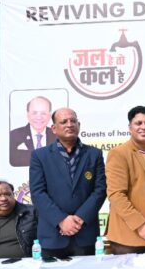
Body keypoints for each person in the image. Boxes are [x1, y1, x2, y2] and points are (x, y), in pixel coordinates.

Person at [29, 108, 106, 257]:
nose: (69, 124)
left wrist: (80, 218)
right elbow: (38, 193)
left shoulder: (94, 154)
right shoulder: (40, 156)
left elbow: (100, 190)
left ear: (79, 125)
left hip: (85, 234)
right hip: (52, 235)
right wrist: (61, 220)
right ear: (54, 128)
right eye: (64, 122)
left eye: (73, 121)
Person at [106, 106, 145, 254]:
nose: (144, 127)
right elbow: (116, 195)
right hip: (129, 234)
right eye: (138, 123)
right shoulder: (119, 154)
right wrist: (140, 224)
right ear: (130, 127)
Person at [10, 96, 57, 167]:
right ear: (28, 115)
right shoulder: (13, 136)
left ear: (49, 116)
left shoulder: (58, 136)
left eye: (43, 113)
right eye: (34, 113)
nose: (39, 117)